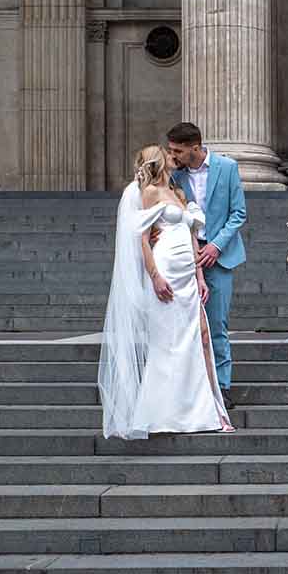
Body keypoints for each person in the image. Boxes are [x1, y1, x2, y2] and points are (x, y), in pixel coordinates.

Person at [98, 146, 233, 438]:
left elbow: (192, 235)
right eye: (168, 153)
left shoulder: (178, 193)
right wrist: (155, 276)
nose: (174, 155)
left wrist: (200, 277)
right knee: (169, 342)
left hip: (188, 273)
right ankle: (166, 414)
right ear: (158, 161)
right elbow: (143, 240)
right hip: (166, 272)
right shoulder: (148, 193)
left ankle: (210, 408)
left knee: (202, 337)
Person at [167, 122, 247, 406]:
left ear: (196, 147)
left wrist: (215, 245)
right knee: (185, 325)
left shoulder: (227, 168)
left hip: (220, 255)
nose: (173, 155)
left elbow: (238, 213)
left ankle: (221, 387)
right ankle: (192, 388)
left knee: (217, 324)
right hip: (183, 255)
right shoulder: (174, 175)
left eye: (178, 150)